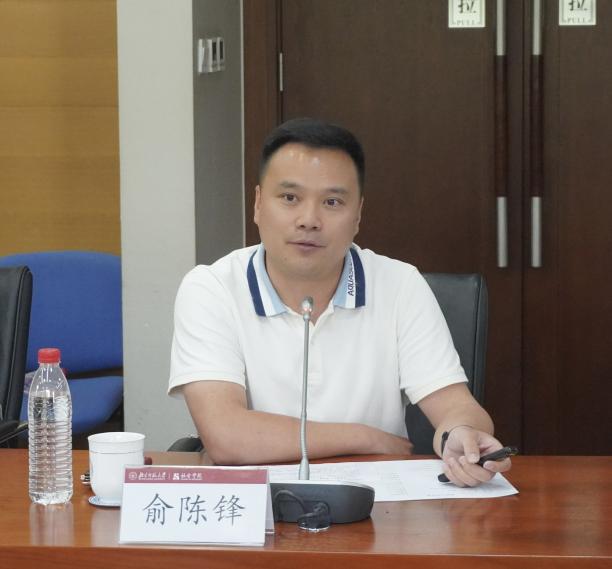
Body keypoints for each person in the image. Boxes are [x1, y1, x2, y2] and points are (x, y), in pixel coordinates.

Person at [168, 117, 512, 487]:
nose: (309, 220)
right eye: (290, 198)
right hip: (254, 505)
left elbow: (456, 407)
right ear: (257, 204)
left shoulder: (400, 285)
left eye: (332, 202)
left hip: (376, 503)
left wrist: (462, 434)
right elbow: (226, 436)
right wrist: (365, 438)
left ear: (358, 214)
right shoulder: (211, 288)